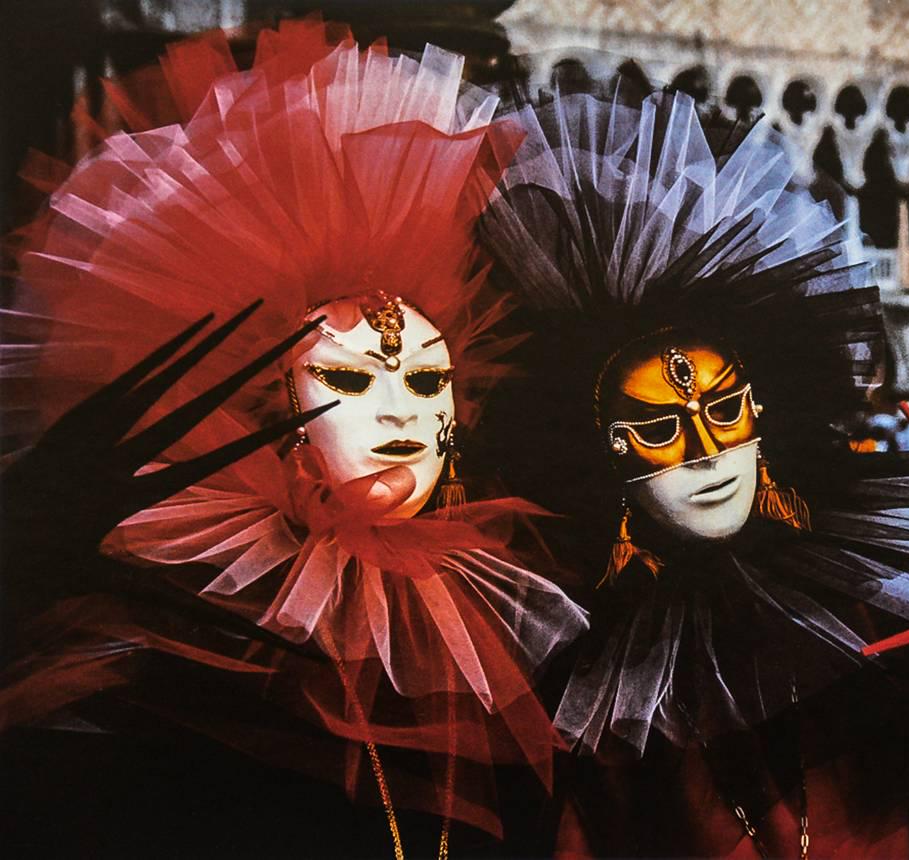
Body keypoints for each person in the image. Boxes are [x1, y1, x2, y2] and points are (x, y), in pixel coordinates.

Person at [479, 65, 909, 857]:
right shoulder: (580, 656)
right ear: (607, 446)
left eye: (724, 411)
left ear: (763, 411)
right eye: (661, 427)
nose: (707, 453)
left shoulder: (880, 575)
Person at [1, 21, 586, 855]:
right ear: (262, 401)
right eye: (349, 380)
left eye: (428, 382)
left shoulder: (505, 622)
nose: (401, 415)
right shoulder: (170, 653)